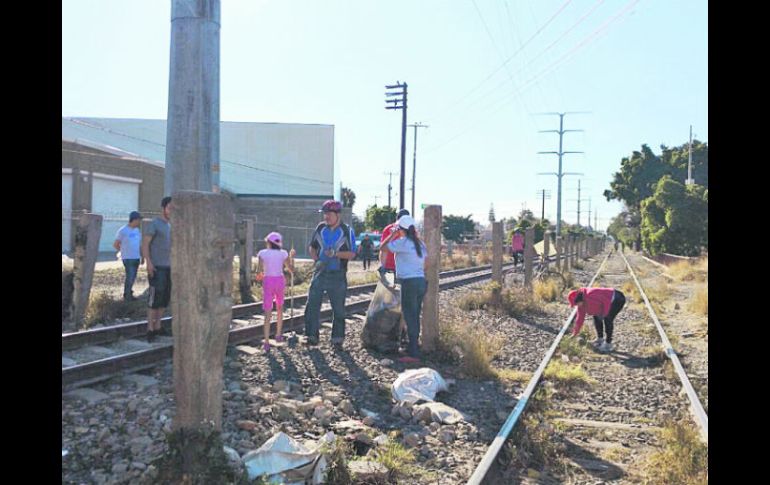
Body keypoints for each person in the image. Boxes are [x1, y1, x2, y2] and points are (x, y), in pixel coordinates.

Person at [304, 200, 357, 349]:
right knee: (312, 305)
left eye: (329, 214)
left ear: (337, 214)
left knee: (338, 308)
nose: (326, 217)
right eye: (324, 214)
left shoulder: (347, 231)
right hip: (320, 272)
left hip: (338, 274)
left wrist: (336, 254)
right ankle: (311, 335)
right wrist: (316, 260)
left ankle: (337, 338)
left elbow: (352, 254)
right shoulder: (320, 228)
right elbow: (312, 247)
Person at [380, 215, 428, 364]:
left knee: (410, 316)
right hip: (420, 281)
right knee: (415, 314)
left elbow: (383, 247)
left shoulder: (402, 243)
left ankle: (413, 353)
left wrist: (392, 235)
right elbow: (426, 262)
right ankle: (413, 347)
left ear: (401, 229)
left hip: (409, 282)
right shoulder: (420, 244)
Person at [256, 232, 295, 352]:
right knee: (279, 308)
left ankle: (267, 341)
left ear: (268, 242)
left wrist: (260, 274)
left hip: (268, 281)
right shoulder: (283, 253)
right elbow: (291, 270)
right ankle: (278, 335)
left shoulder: (262, 254)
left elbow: (258, 272)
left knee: (268, 312)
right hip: (280, 281)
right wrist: (292, 257)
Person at [142, 197, 172, 343]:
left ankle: (158, 326)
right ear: (164, 208)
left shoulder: (172, 226)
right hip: (156, 267)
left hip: (169, 268)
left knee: (164, 299)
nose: (172, 211)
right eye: (169, 208)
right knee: (154, 298)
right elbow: (145, 244)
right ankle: (150, 329)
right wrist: (148, 262)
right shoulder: (155, 224)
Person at [568, 287, 627, 353]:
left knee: (608, 319)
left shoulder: (590, 295)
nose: (576, 305)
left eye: (576, 303)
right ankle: (600, 339)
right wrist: (574, 333)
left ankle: (608, 344)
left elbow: (606, 301)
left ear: (579, 299)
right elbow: (579, 319)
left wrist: (604, 314)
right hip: (607, 301)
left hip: (616, 299)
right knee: (596, 316)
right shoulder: (581, 305)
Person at [113, 211, 143, 301]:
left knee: (133, 276)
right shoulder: (123, 231)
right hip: (128, 258)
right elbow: (116, 244)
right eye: (138, 220)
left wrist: (142, 257)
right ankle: (127, 295)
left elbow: (140, 244)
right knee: (130, 276)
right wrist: (123, 251)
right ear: (134, 220)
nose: (139, 222)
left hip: (136, 257)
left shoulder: (137, 230)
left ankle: (129, 292)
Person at [379, 209, 411, 275]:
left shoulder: (388, 229)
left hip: (389, 267)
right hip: (405, 268)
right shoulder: (411, 230)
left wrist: (383, 266)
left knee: (387, 284)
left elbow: (383, 250)